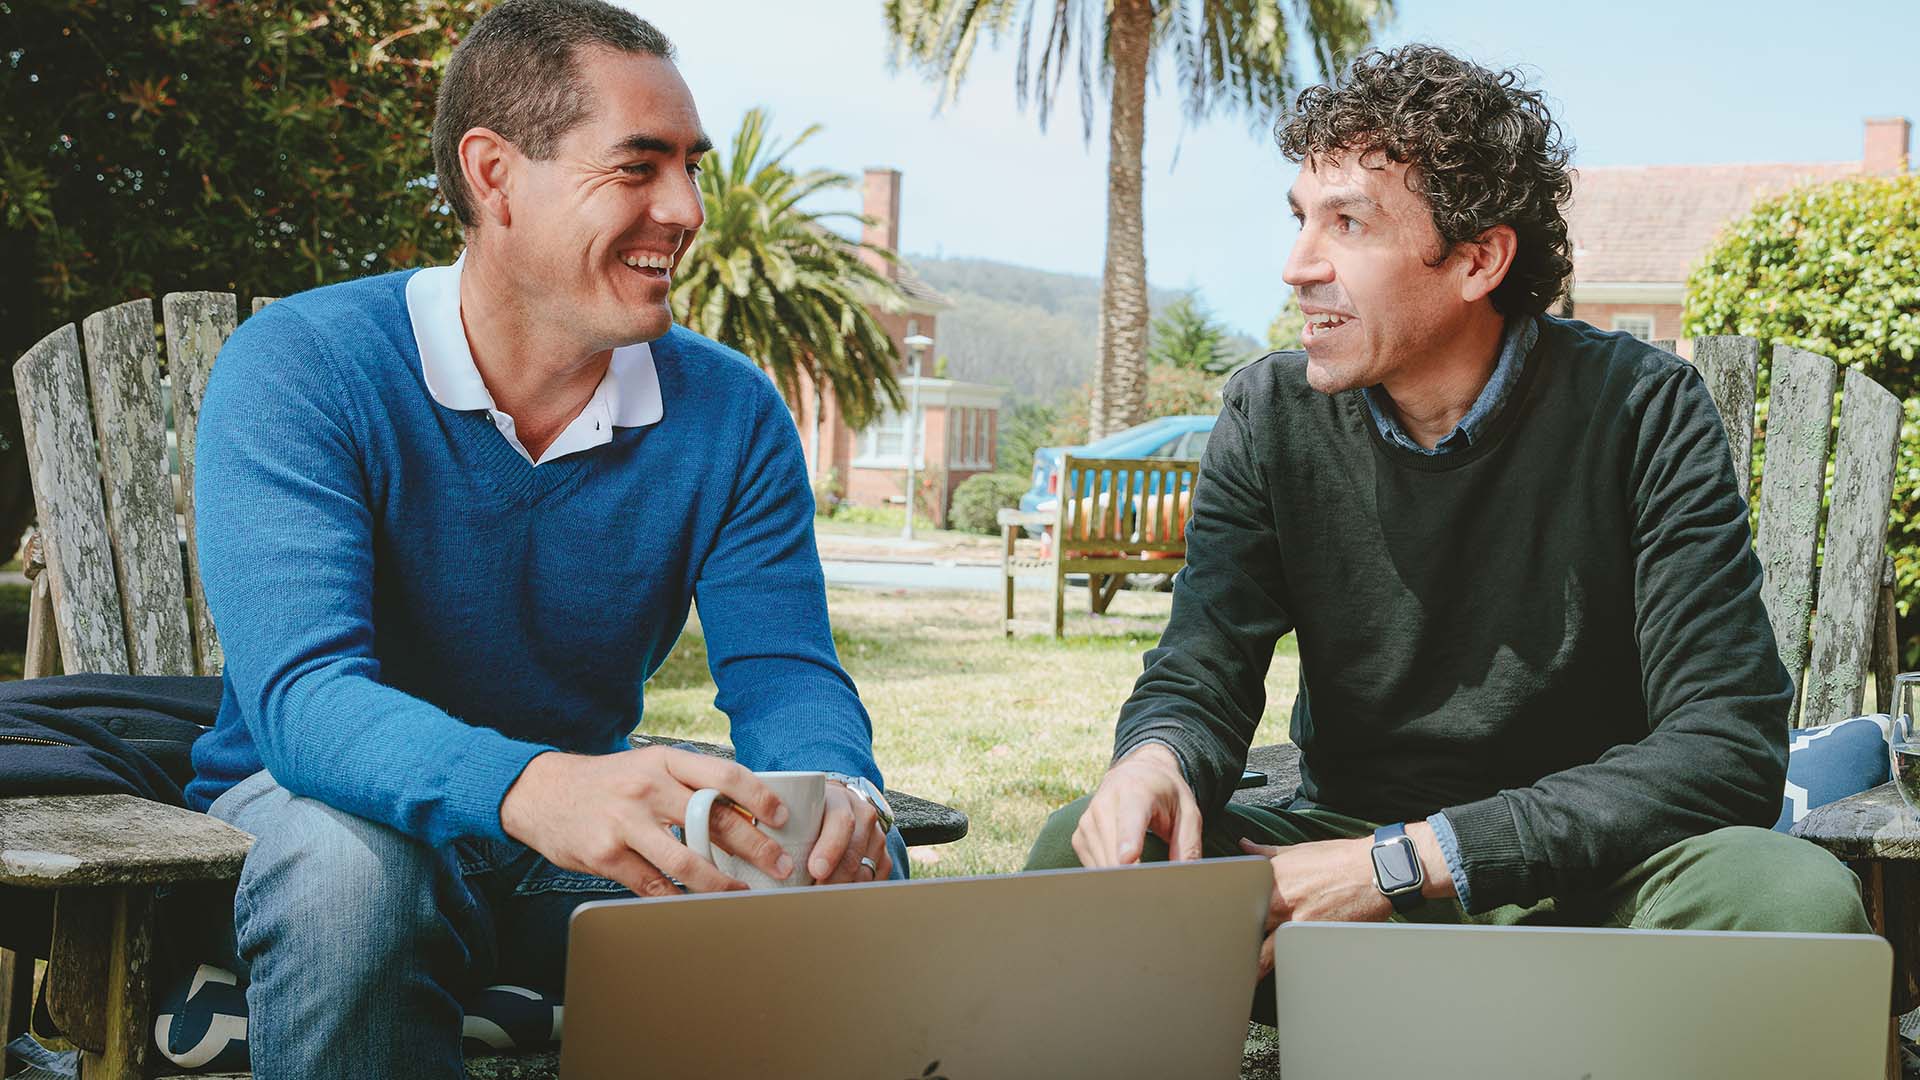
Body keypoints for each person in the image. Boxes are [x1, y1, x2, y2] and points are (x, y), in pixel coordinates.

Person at [1025, 44, 1871, 1016]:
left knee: (1794, 901)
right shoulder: (1270, 413)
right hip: (1337, 875)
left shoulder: (1643, 409)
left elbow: (1726, 744)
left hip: (1594, 877)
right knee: (1075, 853)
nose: (1299, 265)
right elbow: (1200, 670)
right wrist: (1156, 762)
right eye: (1302, 220)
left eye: (1349, 225)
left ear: (1478, 258)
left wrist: (1409, 861)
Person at [185, 2, 900, 1075]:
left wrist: (836, 792)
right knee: (354, 872)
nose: (687, 208)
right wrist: (536, 787)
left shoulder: (730, 412)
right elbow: (307, 703)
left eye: (691, 167)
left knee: (830, 867)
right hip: (309, 820)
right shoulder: (303, 367)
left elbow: (786, 670)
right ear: (493, 174)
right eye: (638, 167)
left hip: (563, 838)